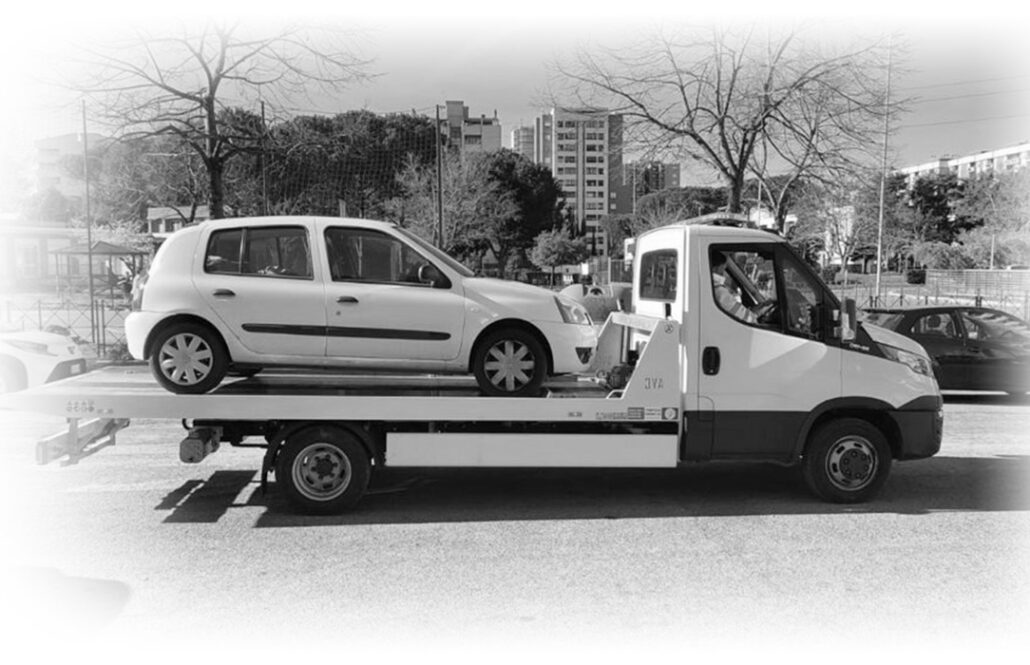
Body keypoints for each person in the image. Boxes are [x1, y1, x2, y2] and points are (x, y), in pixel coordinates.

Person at [711, 252, 758, 323]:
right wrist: (758, 315)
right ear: (719, 267)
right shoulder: (719, 292)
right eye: (724, 267)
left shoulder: (713, 288)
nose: (724, 270)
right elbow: (748, 320)